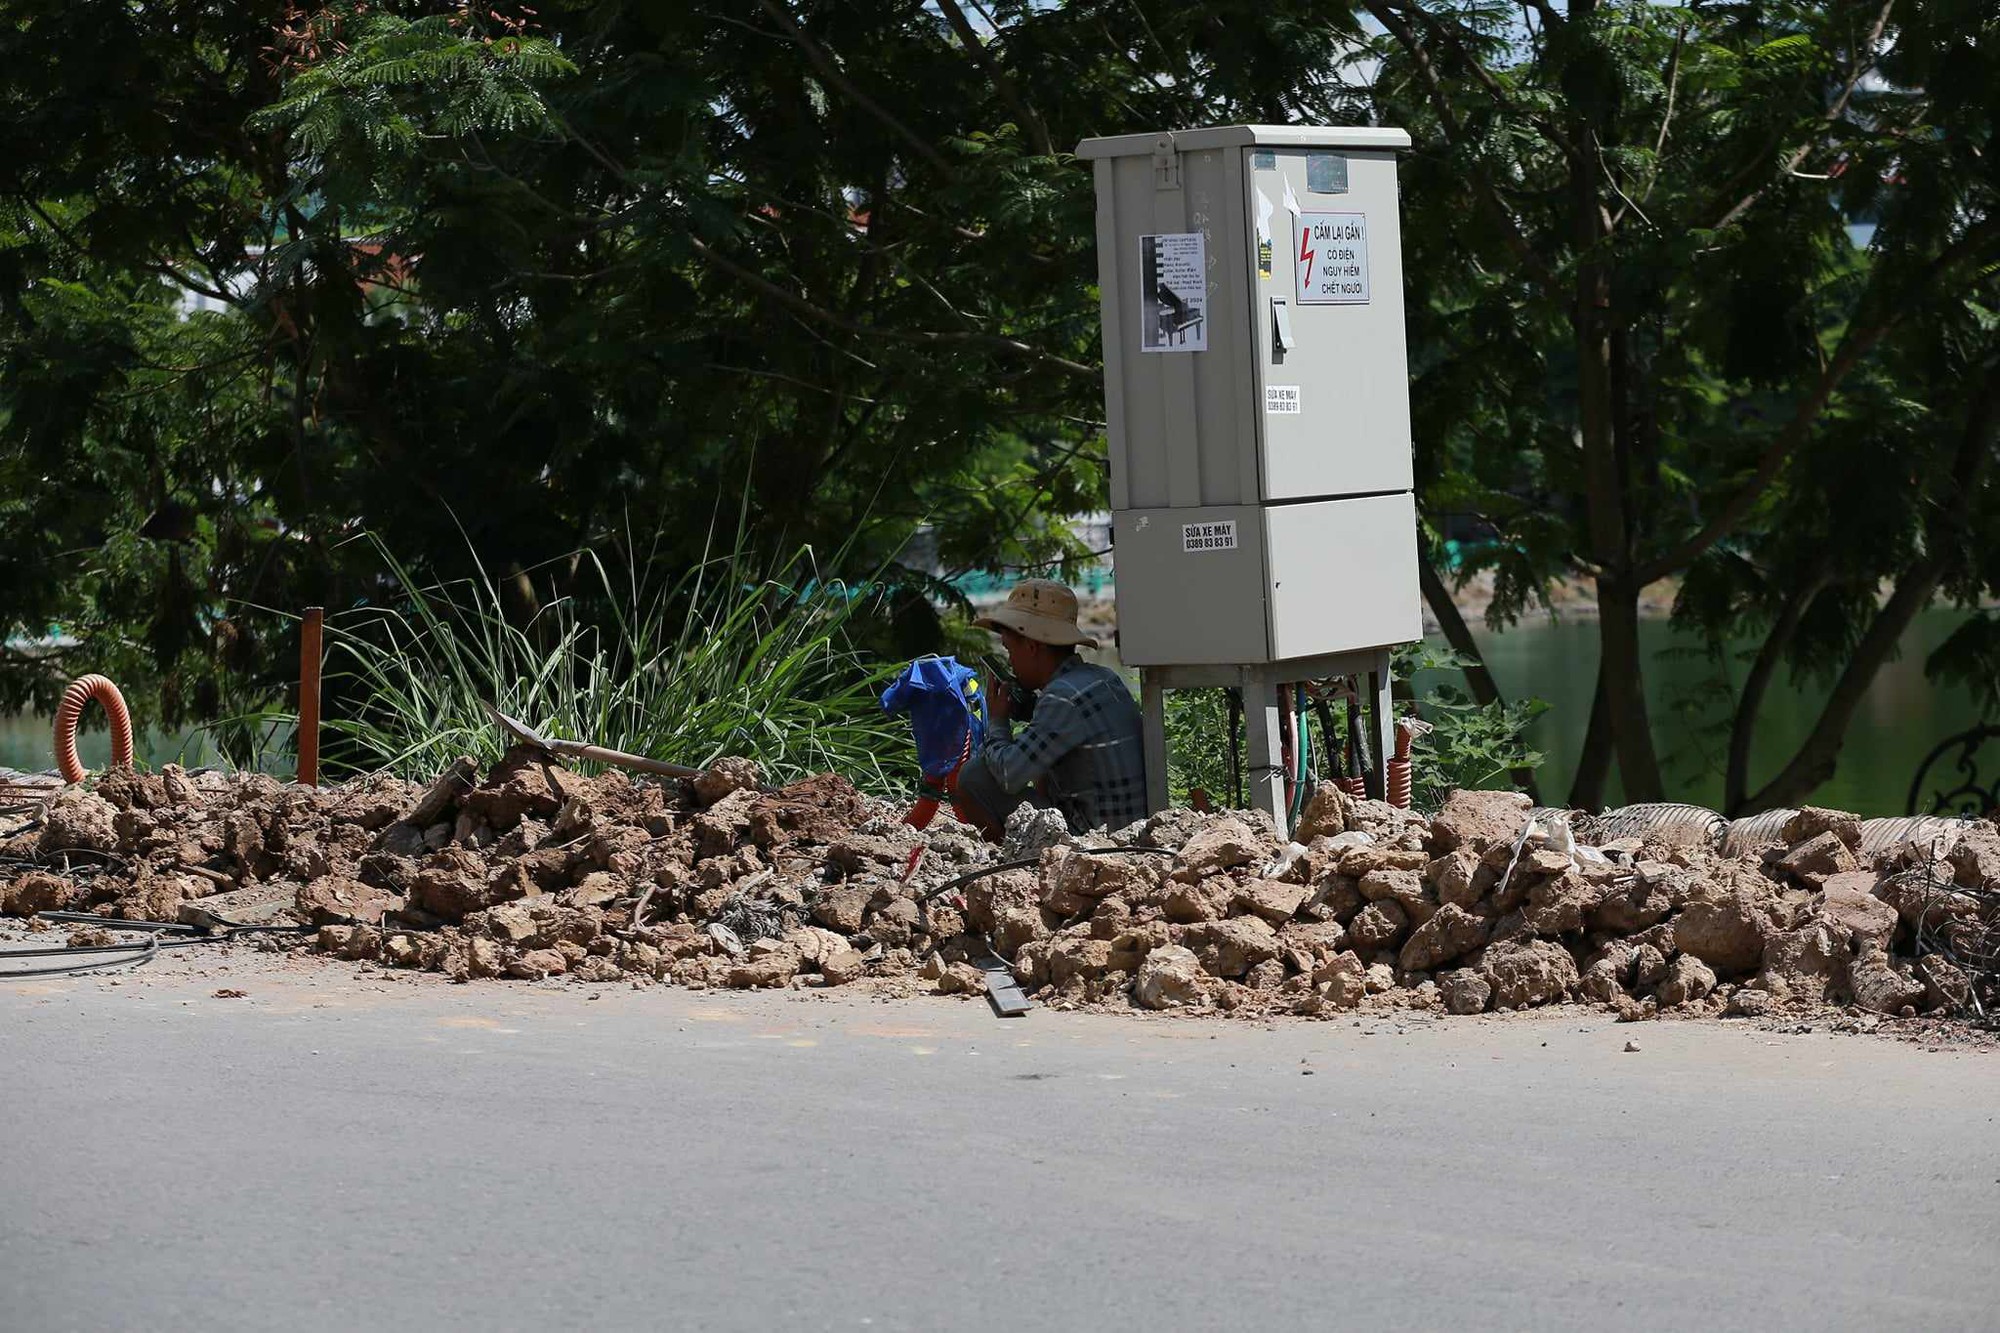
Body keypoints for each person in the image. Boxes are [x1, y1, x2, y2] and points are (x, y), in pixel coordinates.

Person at [952, 579, 1148, 839]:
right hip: (1129, 830)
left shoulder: (1061, 698)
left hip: (1094, 840)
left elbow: (1010, 775)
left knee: (974, 776)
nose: (1010, 660)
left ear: (1032, 647)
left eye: (1010, 650)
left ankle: (1020, 865)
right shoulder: (1102, 677)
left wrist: (998, 720)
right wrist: (1026, 709)